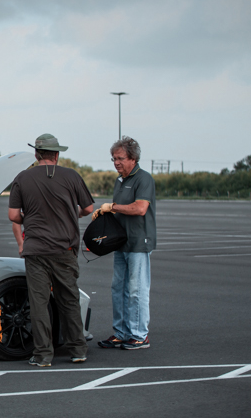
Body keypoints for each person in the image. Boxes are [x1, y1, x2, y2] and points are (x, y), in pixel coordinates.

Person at [8, 134, 94, 367]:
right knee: (69, 300)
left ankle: (43, 354)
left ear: (36, 154)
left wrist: (32, 216)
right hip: (64, 249)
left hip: (36, 250)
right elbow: (88, 208)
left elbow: (14, 216)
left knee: (39, 303)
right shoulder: (72, 176)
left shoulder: (22, 178)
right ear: (57, 154)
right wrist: (69, 213)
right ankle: (78, 349)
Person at [93, 136, 156, 350]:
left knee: (137, 289)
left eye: (120, 158)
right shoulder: (119, 180)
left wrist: (112, 207)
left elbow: (140, 209)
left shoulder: (143, 179)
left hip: (138, 243)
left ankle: (139, 335)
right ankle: (121, 333)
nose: (116, 163)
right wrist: (103, 215)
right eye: (113, 159)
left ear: (133, 158)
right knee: (118, 288)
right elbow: (117, 210)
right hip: (120, 243)